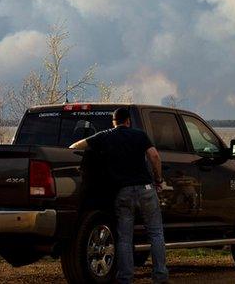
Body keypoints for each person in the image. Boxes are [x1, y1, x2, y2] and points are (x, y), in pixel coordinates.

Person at [69, 107, 168, 283]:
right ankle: (160, 275)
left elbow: (76, 146)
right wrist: (158, 179)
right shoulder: (140, 135)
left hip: (123, 192)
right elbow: (154, 156)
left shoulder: (105, 136)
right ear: (128, 121)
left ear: (113, 122)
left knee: (124, 237)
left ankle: (125, 277)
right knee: (155, 233)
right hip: (146, 189)